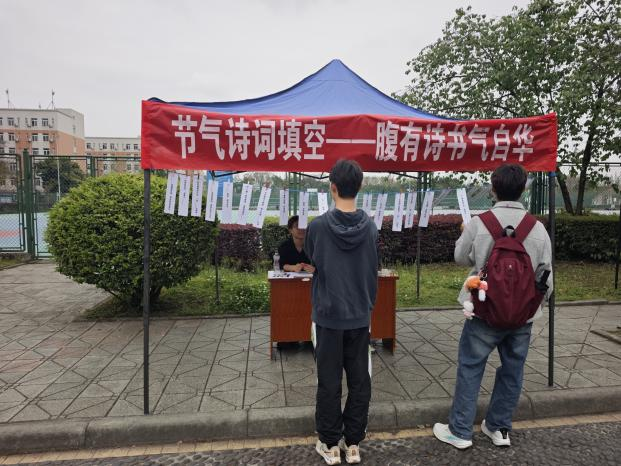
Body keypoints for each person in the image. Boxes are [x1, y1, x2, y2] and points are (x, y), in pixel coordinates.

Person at [433, 163, 553, 449]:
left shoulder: (480, 223)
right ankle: (499, 427)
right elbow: (546, 277)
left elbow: (460, 258)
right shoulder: (537, 228)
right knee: (513, 370)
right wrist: (530, 306)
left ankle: (460, 430)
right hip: (522, 317)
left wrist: (466, 233)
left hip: (483, 311)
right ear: (523, 189)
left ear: (493, 189)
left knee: (471, 367)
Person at [305, 159, 378, 465]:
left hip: (328, 316)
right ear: (360, 186)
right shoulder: (370, 227)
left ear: (332, 188)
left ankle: (329, 443)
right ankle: (354, 442)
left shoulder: (317, 227)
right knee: (360, 380)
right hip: (360, 315)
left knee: (329, 381)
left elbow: (313, 258)